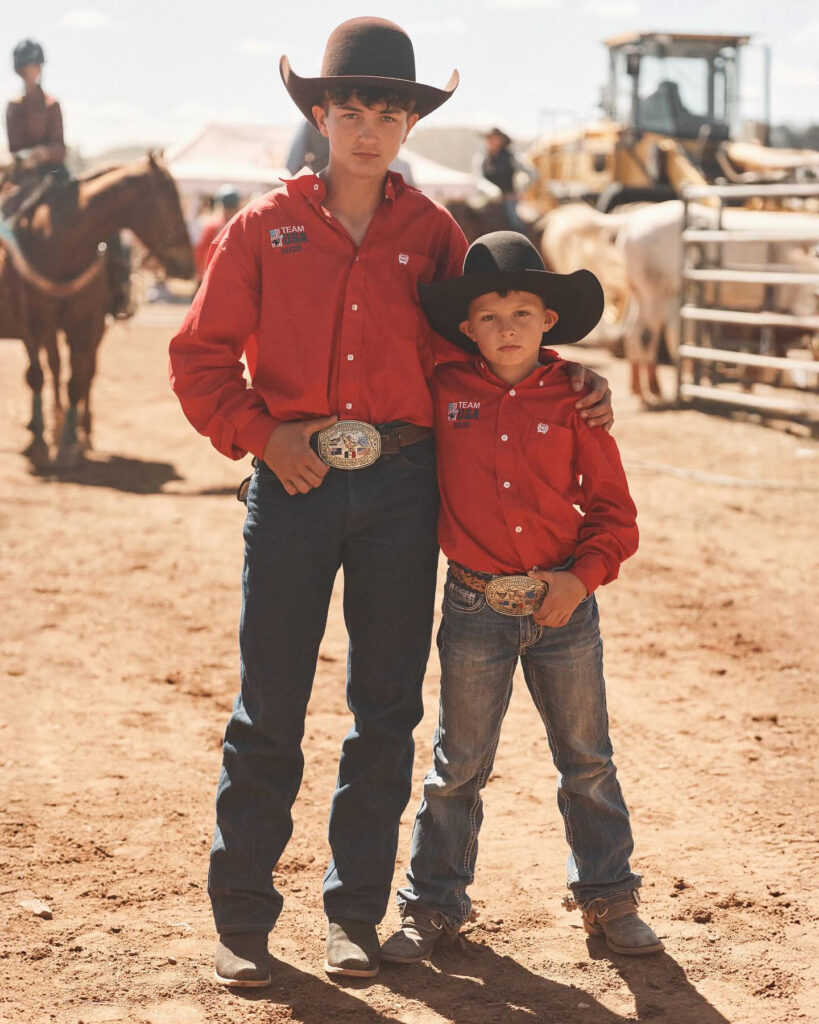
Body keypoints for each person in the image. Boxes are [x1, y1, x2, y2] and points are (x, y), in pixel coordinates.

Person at [168, 18, 613, 989]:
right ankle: (242, 919)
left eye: (387, 113)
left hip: (404, 490)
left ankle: (354, 916)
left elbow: (490, 342)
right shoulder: (261, 228)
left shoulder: (433, 235)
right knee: (269, 703)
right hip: (292, 484)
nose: (367, 129)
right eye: (350, 110)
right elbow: (198, 358)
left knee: (385, 707)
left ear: (409, 124)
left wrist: (569, 380)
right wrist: (264, 435)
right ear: (320, 116)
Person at [381, 231, 662, 965]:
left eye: (522, 314)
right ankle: (432, 904)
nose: (506, 329)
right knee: (457, 765)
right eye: (490, 316)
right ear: (466, 327)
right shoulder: (443, 387)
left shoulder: (574, 399)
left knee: (587, 759)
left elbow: (614, 513)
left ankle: (609, 895)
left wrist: (580, 579)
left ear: (548, 321)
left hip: (563, 604)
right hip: (474, 604)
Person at [3, 40, 67, 217]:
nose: (31, 72)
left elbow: (61, 148)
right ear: (19, 71)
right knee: (7, 216)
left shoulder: (51, 104)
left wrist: (46, 153)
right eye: (26, 68)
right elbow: (14, 147)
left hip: (55, 173)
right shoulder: (14, 106)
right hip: (24, 175)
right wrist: (26, 157)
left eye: (34, 66)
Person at [474, 127, 534, 232]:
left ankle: (521, 240)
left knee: (516, 223)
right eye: (488, 138)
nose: (490, 141)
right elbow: (479, 179)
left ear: (501, 140)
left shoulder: (511, 157)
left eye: (494, 138)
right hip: (486, 199)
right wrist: (491, 190)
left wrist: (521, 190)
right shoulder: (482, 158)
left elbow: (532, 173)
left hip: (508, 200)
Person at [194, 184, 241, 284]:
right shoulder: (243, 225)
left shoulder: (213, 226)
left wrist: (200, 276)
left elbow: (201, 252)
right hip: (229, 279)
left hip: (218, 278)